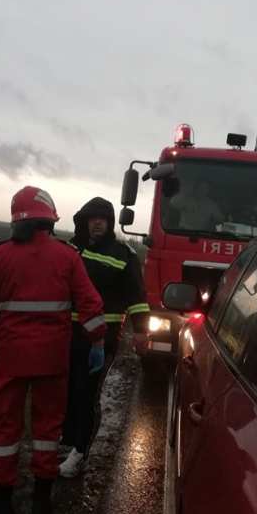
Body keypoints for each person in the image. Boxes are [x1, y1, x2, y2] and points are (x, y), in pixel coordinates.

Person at [0, 186, 106, 514]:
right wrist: (97, 342)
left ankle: (2, 504)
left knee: (5, 427)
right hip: (53, 360)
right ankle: (41, 504)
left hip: (12, 360)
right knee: (47, 429)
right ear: (48, 219)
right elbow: (91, 304)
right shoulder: (67, 257)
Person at [60, 197, 150, 477]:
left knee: (87, 393)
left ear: (110, 223)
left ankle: (79, 452)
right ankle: (65, 440)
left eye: (103, 218)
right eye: (92, 218)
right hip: (65, 335)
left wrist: (142, 332)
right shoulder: (71, 249)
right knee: (64, 392)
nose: (97, 222)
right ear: (84, 221)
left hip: (101, 339)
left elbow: (137, 298)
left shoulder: (124, 255)